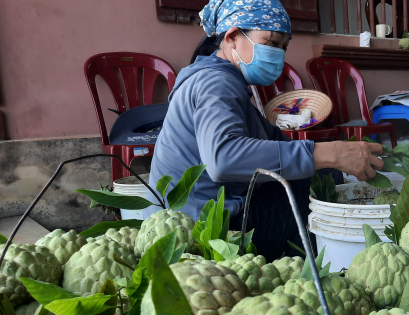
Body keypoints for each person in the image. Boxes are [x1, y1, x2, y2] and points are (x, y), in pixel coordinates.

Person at [144, 0, 384, 260]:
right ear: (233, 37)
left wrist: (337, 159)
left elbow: (274, 143)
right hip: (206, 230)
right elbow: (224, 158)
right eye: (271, 42)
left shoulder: (222, 80)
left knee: (322, 174)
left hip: (209, 212)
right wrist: (331, 153)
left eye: (283, 47)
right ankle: (318, 273)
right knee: (306, 194)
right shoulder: (216, 83)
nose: (278, 54)